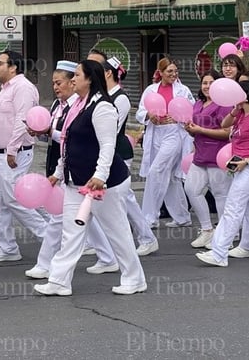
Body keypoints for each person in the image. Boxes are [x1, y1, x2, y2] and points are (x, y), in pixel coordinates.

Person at [35, 60, 147, 296]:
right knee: (71, 233)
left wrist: (100, 176)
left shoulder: (103, 107)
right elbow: (68, 143)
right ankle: (59, 281)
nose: (72, 79)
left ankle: (134, 278)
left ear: (89, 79)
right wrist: (57, 173)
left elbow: (108, 146)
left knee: (116, 231)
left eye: (76, 75)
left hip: (104, 183)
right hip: (75, 181)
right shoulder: (78, 104)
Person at [24, 60, 117, 280]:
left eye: (61, 82)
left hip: (85, 172)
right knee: (80, 223)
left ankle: (46, 266)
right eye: (54, 83)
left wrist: (100, 174)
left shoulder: (86, 105)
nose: (56, 87)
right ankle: (106, 258)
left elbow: (90, 139)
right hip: (65, 166)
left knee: (67, 223)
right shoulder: (59, 104)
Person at [196, 78, 249, 266]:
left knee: (232, 209)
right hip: (240, 167)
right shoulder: (241, 114)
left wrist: (247, 160)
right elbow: (225, 123)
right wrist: (236, 109)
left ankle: (219, 253)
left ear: (244, 96)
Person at [0, 51, 47, 263]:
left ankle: (50, 236)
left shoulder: (22, 88)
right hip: (0, 155)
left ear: (13, 67)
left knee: (14, 199)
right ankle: (8, 248)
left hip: (13, 154)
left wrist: (12, 149)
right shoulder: (6, 89)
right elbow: (4, 117)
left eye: (0, 63)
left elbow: (22, 121)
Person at [102, 57, 159, 257]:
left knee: (124, 198)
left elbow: (110, 128)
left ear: (108, 73)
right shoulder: (104, 94)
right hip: (107, 152)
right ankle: (101, 243)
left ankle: (147, 238)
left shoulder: (120, 98)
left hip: (118, 152)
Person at [136, 57, 194, 228]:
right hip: (155, 133)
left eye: (175, 71)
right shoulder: (151, 90)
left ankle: (149, 217)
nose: (173, 74)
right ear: (160, 72)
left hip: (174, 134)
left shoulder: (183, 90)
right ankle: (182, 216)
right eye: (169, 71)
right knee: (170, 177)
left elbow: (191, 110)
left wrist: (179, 117)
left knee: (156, 171)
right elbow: (141, 110)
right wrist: (149, 116)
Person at [183, 70, 232, 248]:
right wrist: (189, 129)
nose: (207, 86)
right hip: (200, 155)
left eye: (212, 83)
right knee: (191, 189)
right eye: (205, 83)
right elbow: (195, 128)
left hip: (218, 156)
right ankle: (207, 230)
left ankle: (226, 235)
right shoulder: (198, 104)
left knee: (220, 195)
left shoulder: (224, 106)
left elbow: (227, 133)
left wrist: (200, 130)